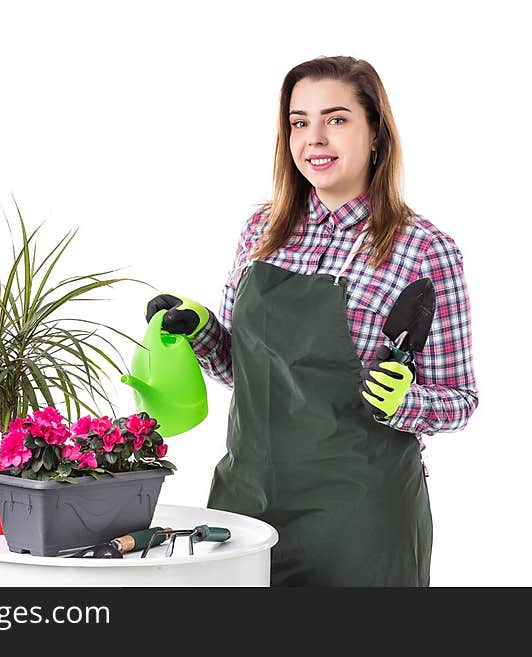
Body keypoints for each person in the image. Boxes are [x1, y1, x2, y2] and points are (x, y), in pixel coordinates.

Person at [145, 56, 478, 586]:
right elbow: (244, 368)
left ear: (376, 135)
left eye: (337, 119)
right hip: (245, 505)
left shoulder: (422, 249)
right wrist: (201, 330)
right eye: (300, 122)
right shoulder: (263, 228)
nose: (315, 138)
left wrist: (405, 402)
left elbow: (460, 399)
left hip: (360, 519)